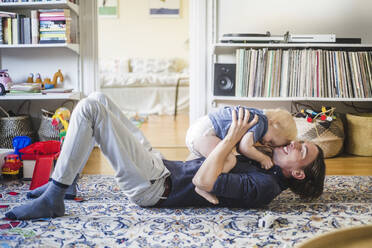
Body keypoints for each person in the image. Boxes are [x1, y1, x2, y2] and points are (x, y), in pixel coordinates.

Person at [5, 93, 326, 220]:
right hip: (160, 167)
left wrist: (230, 138)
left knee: (90, 110)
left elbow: (203, 180)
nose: (294, 144)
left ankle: (55, 195)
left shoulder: (263, 188)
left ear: (298, 173)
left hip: (155, 187)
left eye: (302, 150)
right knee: (99, 99)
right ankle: (67, 183)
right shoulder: (264, 161)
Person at [186, 106, 298, 203]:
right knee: (230, 160)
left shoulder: (257, 115)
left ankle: (189, 170)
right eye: (271, 141)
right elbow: (244, 148)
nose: (266, 144)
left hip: (200, 128)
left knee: (209, 160)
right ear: (273, 123)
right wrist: (262, 158)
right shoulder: (260, 124)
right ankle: (205, 186)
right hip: (206, 133)